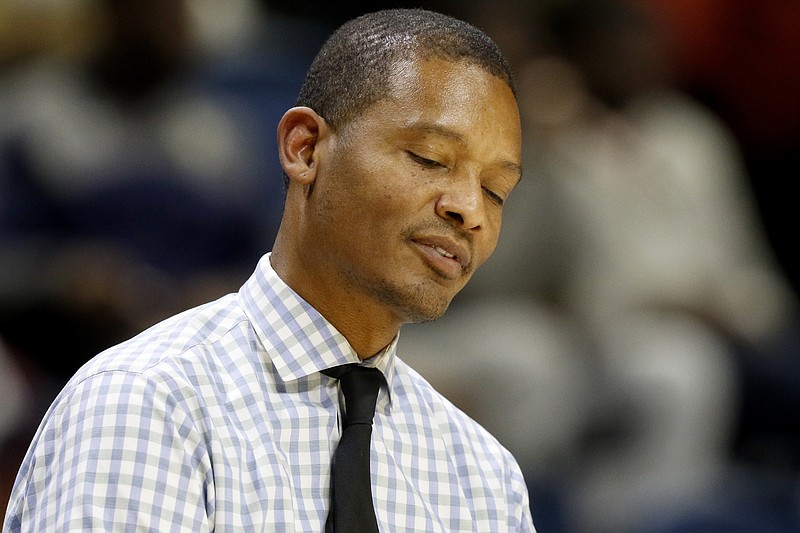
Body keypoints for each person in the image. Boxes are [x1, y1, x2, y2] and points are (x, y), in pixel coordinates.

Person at [3, 8, 535, 532]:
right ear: (304, 149)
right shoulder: (143, 404)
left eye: (496, 191)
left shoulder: (487, 479)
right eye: (429, 158)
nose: (470, 208)